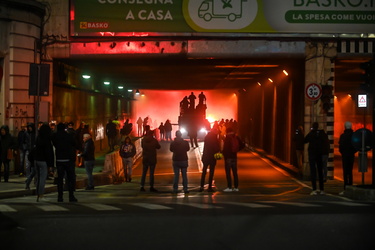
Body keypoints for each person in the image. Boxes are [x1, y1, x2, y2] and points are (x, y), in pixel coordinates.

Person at [52, 123, 77, 202]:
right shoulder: (68, 136)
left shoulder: (55, 136)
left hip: (59, 159)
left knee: (60, 179)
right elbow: (75, 144)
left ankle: (60, 197)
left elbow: (54, 144)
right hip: (68, 159)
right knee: (70, 179)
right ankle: (71, 196)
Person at [304, 122, 326, 195]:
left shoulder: (311, 134)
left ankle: (314, 189)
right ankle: (322, 189)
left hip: (312, 155)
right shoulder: (321, 134)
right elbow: (325, 141)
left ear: (313, 127)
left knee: (313, 172)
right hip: (319, 155)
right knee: (320, 172)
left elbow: (305, 140)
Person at [34, 124, 54, 202]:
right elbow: (49, 152)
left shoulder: (38, 138)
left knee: (38, 178)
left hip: (36, 159)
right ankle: (41, 194)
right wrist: (50, 164)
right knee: (42, 178)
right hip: (43, 161)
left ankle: (38, 194)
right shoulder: (47, 140)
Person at [222, 127, 244, 192]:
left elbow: (225, 149)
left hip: (228, 158)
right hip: (234, 157)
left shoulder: (227, 138)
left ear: (227, 132)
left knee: (228, 173)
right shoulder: (236, 137)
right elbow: (243, 145)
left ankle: (229, 187)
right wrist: (236, 150)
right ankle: (236, 187)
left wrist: (223, 154)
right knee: (235, 172)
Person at [339, 121, 358, 195]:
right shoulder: (354, 136)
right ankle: (350, 187)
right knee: (350, 172)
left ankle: (345, 188)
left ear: (344, 127)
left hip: (345, 155)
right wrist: (353, 152)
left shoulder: (343, 136)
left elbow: (340, 147)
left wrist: (343, 153)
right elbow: (356, 145)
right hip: (351, 155)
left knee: (345, 172)